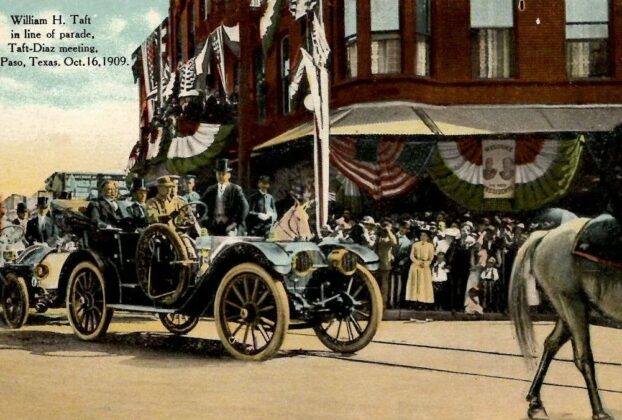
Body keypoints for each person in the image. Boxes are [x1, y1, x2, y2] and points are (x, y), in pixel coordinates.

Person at [201, 158, 249, 236]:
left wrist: (236, 222)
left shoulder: (236, 189)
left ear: (229, 175)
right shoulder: (211, 189)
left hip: (231, 226)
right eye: (218, 173)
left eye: (223, 174)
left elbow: (245, 207)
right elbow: (201, 204)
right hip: (214, 226)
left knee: (230, 241)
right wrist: (205, 220)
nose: (220, 176)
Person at [405, 229, 435, 307]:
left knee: (423, 284)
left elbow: (431, 257)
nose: (423, 237)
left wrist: (425, 263)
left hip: (425, 266)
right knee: (415, 284)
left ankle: (423, 302)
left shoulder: (430, 246)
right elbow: (411, 255)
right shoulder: (415, 245)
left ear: (428, 237)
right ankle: (413, 301)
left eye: (425, 235)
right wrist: (417, 262)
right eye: (421, 235)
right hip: (416, 265)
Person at [375, 219, 397, 308]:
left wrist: (388, 231)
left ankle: (383, 304)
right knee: (376, 285)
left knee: (384, 286)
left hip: (385, 264)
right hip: (377, 264)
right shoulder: (379, 237)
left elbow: (394, 242)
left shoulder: (389, 238)